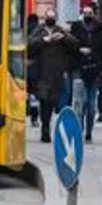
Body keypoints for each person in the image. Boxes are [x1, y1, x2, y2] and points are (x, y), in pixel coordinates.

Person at [27, 8, 77, 143]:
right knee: (44, 103)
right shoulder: (39, 30)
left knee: (57, 103)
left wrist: (64, 37)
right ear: (45, 18)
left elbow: (74, 44)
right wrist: (45, 39)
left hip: (57, 74)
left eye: (53, 17)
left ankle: (58, 130)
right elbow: (30, 43)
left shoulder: (60, 30)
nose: (51, 19)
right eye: (49, 16)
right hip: (42, 73)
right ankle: (45, 130)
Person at [68, 4, 102, 142]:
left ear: (93, 14)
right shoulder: (76, 28)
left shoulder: (101, 31)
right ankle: (79, 128)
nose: (87, 15)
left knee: (91, 105)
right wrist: (79, 50)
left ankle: (88, 132)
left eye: (90, 13)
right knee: (81, 100)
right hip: (79, 69)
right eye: (85, 12)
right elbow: (70, 46)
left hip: (94, 70)